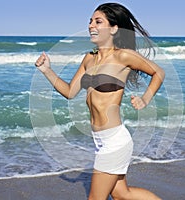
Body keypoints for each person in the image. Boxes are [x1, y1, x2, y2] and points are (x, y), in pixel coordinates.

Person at [35, 3, 164, 200]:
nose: (91, 25)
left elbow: (158, 72)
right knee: (122, 194)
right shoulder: (89, 58)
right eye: (90, 21)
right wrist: (47, 71)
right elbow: (70, 92)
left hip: (115, 141)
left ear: (113, 29)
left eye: (98, 21)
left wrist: (145, 99)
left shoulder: (123, 56)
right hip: (100, 141)